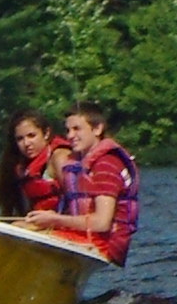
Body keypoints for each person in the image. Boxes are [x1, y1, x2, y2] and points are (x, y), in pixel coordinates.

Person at [36, 103, 140, 267]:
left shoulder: (106, 165)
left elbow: (102, 222)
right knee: (20, 226)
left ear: (97, 129)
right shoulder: (82, 162)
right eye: (68, 130)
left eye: (77, 129)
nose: (70, 135)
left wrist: (55, 220)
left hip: (101, 244)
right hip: (83, 236)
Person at [0, 112, 64, 223]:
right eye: (20, 139)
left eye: (31, 136)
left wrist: (56, 218)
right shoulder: (20, 165)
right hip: (37, 222)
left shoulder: (59, 157)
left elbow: (76, 200)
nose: (26, 143)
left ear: (46, 133)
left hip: (61, 223)